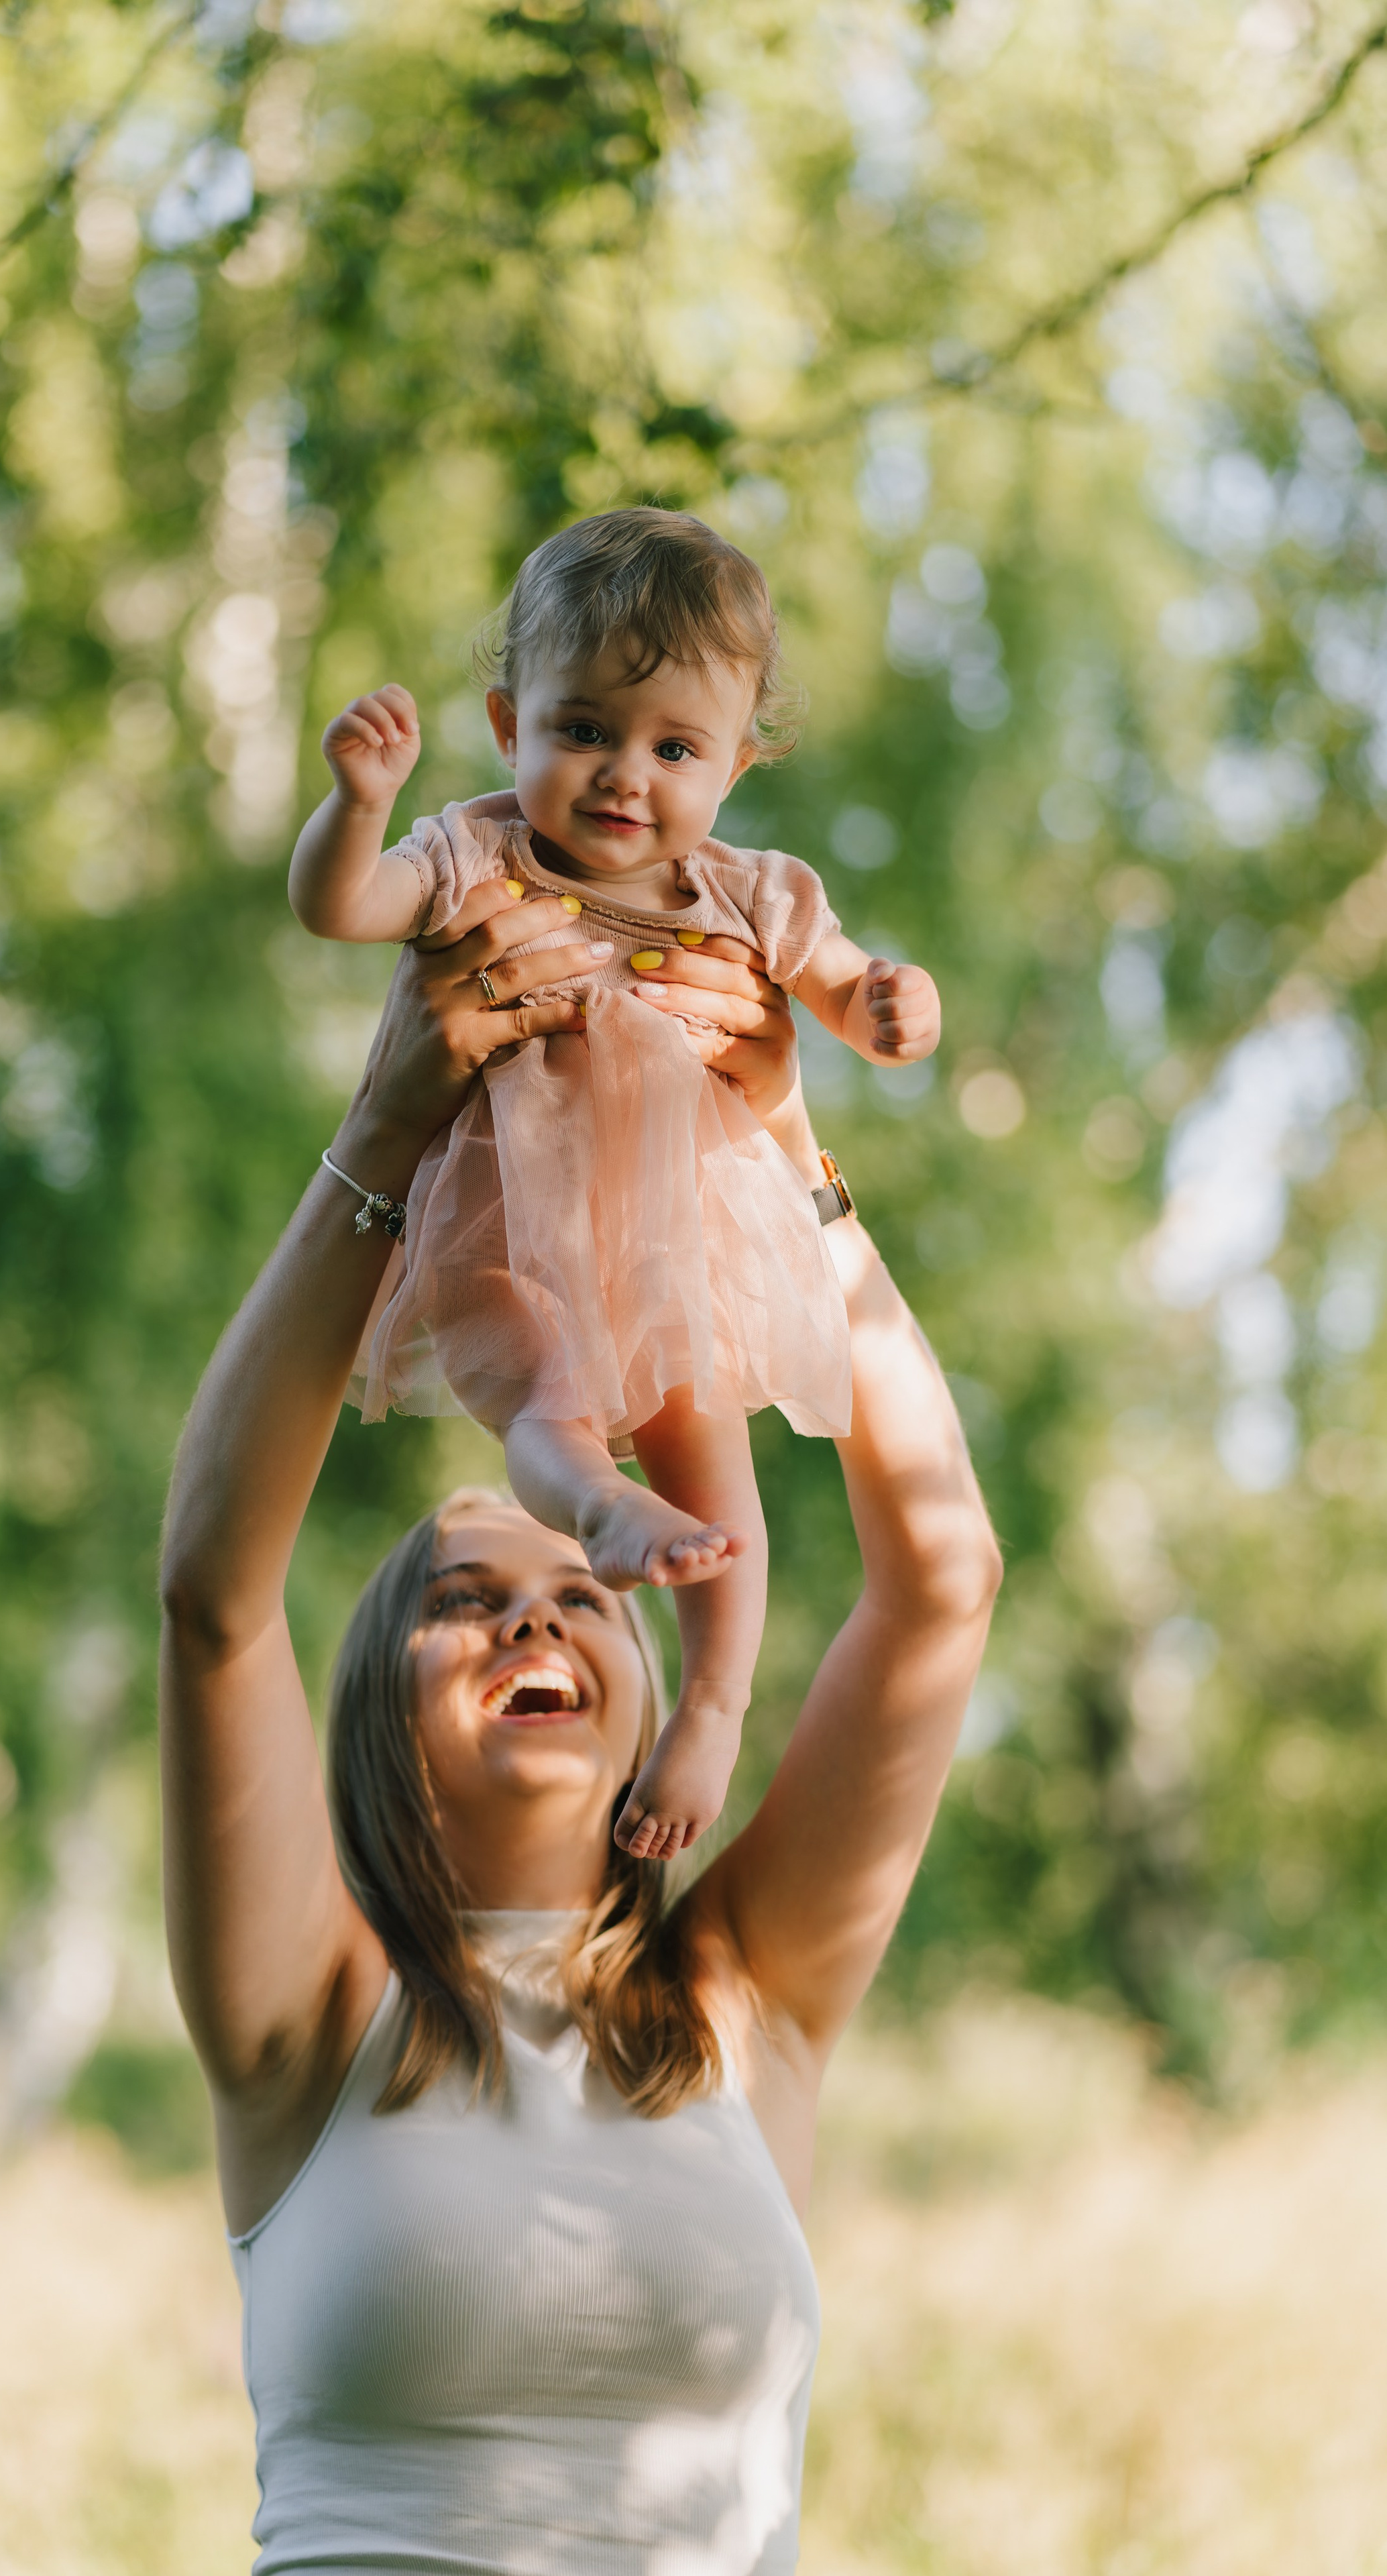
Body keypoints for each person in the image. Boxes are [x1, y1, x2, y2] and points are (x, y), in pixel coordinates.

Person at [158, 894, 1001, 2575]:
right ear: (379, 1713)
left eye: (587, 1592)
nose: (537, 1615)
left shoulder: (739, 2001)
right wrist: (384, 1131)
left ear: (643, 1700)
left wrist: (788, 1156)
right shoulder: (310, 2013)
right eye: (467, 1602)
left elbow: (940, 1586)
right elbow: (210, 1597)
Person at [286, 509, 942, 1860]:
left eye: (674, 748)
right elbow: (340, 909)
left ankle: (710, 1707)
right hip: (501, 1213)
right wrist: (355, 809)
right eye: (581, 730)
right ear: (505, 720)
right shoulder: (474, 851)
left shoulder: (749, 892)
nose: (621, 776)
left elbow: (839, 992)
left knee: (716, 1474)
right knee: (541, 1392)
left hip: (683, 1236)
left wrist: (885, 1009)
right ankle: (592, 1507)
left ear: (737, 764)